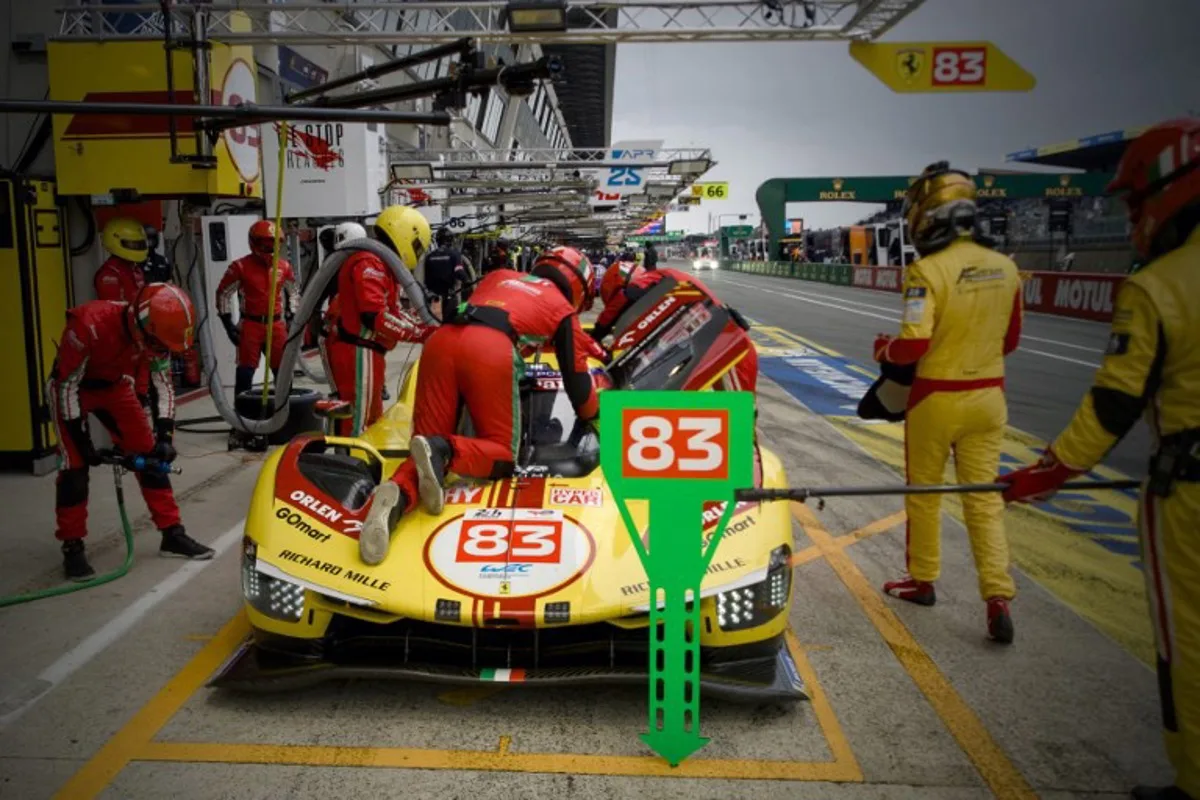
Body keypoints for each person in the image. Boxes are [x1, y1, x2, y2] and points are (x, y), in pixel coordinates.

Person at [999, 120, 1200, 800]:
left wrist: (1046, 473)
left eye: (1135, 201)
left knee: (1188, 648)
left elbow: (1113, 408)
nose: (1132, 216)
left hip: (1191, 493)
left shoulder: (1158, 286)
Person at [358, 246, 601, 565]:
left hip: (440, 343)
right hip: (489, 351)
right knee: (499, 454)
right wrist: (597, 417)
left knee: (422, 457)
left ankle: (397, 496)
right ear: (579, 289)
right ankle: (445, 449)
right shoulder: (562, 310)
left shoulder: (499, 276)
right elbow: (579, 388)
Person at [872, 161, 1022, 644]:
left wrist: (883, 351)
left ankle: (923, 580)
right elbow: (1011, 340)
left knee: (925, 494)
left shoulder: (925, 270)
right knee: (983, 501)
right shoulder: (1006, 267)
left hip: (936, 398)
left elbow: (913, 346)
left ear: (926, 215)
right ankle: (997, 596)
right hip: (989, 399)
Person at [50, 284, 213, 580]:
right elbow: (66, 386)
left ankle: (172, 533)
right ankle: (72, 546)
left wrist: (165, 436)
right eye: (158, 345)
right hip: (74, 388)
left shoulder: (156, 337)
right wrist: (81, 442)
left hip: (115, 386)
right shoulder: (88, 324)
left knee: (151, 457)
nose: (160, 352)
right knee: (74, 469)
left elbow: (163, 385)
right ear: (142, 325)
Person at [324, 205, 435, 436]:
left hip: (367, 352)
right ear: (406, 233)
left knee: (371, 418)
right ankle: (352, 466)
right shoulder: (370, 263)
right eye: (417, 246)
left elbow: (391, 310)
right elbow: (375, 316)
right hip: (358, 351)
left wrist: (426, 325)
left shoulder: (380, 263)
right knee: (359, 422)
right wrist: (421, 334)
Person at [591, 264, 758, 393]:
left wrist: (598, 333)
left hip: (731, 347)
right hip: (720, 346)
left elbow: (623, 299)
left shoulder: (650, 280)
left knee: (740, 417)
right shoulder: (667, 294)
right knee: (730, 413)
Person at [216, 220, 299, 399]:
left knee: (283, 371)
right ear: (255, 242)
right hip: (251, 325)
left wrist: (292, 315)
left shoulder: (283, 266)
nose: (270, 248)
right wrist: (228, 325)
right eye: (266, 243)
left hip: (277, 325)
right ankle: (242, 416)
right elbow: (223, 294)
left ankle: (284, 412)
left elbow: (293, 291)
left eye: (274, 243)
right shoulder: (240, 267)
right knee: (246, 371)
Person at [95, 218, 149, 303]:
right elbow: (116, 311)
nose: (137, 247)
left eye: (140, 244)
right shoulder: (109, 275)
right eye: (132, 244)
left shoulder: (135, 269)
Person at [423, 227, 470, 321]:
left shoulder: (429, 256)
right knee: (466, 295)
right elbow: (459, 272)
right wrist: (467, 280)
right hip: (449, 292)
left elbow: (426, 276)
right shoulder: (454, 254)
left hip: (433, 294)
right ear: (450, 240)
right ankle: (462, 315)